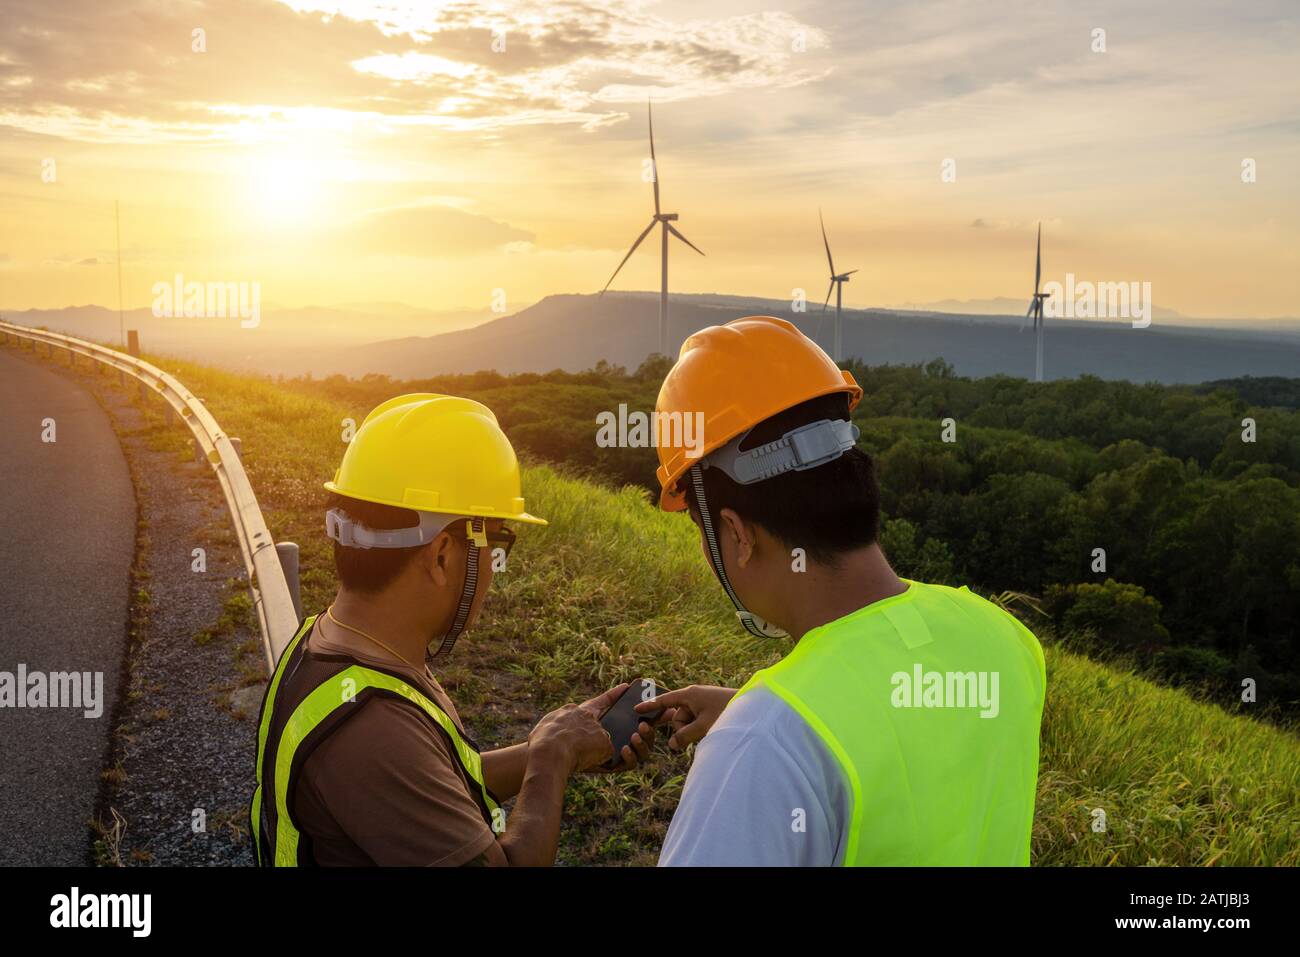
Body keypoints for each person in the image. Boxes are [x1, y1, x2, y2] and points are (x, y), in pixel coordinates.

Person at [639, 316, 1047, 866]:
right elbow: (916, 736)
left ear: (734, 533)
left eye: (699, 527)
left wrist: (766, 734)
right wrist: (765, 720)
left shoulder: (759, 750)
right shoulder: (1005, 638)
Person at [250, 393, 654, 866]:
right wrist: (551, 760)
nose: (495, 567)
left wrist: (550, 746)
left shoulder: (332, 643)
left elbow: (432, 782)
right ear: (442, 555)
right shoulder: (373, 727)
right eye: (497, 541)